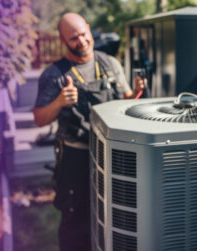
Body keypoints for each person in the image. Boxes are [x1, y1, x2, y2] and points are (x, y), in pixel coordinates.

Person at [33, 13, 145, 251]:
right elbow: (39, 118)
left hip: (112, 155)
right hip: (76, 158)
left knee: (115, 215)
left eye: (84, 34)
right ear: (63, 41)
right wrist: (59, 102)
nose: (82, 41)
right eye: (74, 38)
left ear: (89, 29)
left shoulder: (110, 63)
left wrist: (136, 93)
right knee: (76, 220)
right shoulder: (54, 75)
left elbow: (124, 103)